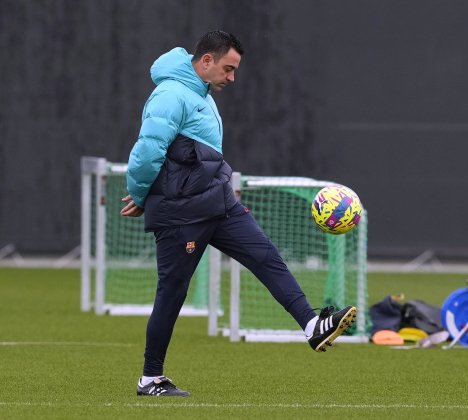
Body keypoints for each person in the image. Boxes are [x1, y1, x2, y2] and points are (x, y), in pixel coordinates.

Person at [120, 30, 356, 397]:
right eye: (228, 69)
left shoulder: (202, 95)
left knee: (265, 256)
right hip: (182, 213)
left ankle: (311, 325)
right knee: (172, 292)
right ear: (207, 61)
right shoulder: (170, 95)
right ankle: (150, 378)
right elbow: (147, 152)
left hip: (218, 202)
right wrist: (139, 193)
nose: (232, 78)